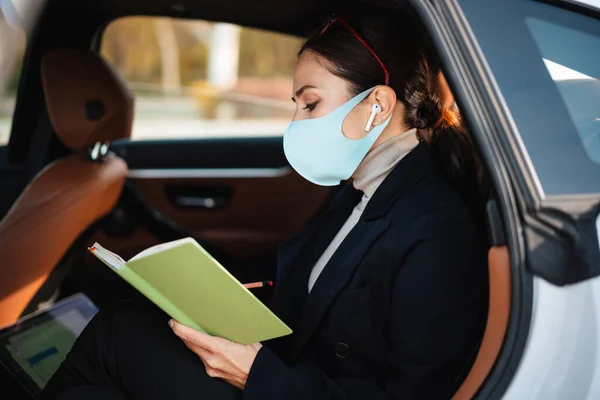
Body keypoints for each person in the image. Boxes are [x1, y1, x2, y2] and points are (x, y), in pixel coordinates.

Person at [43, 9, 489, 400]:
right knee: (116, 337)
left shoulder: (435, 228)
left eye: (310, 104)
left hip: (283, 386)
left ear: (377, 106)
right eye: (296, 104)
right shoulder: (359, 186)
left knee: (115, 336)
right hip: (286, 374)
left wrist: (255, 375)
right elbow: (304, 283)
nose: (296, 123)